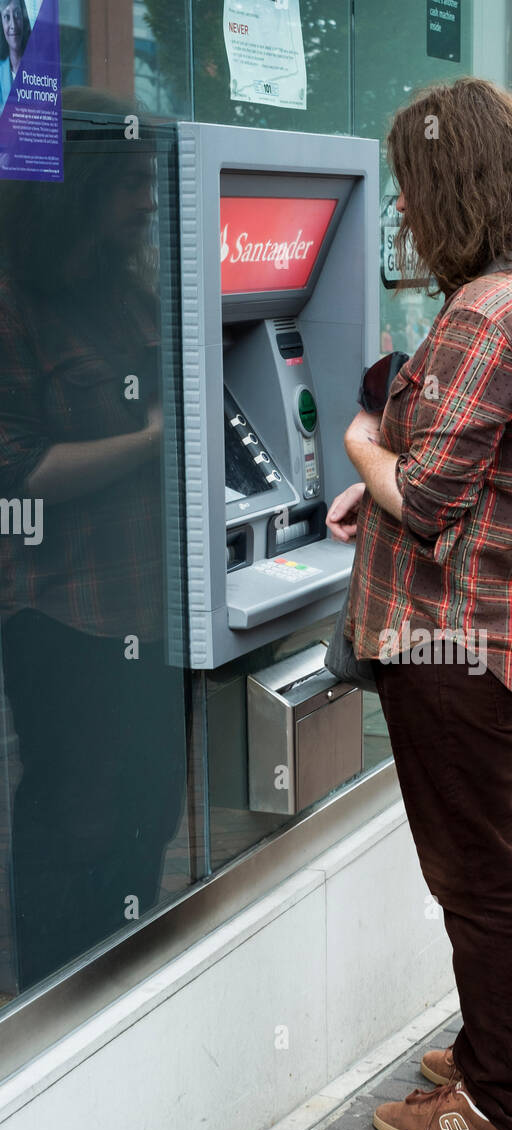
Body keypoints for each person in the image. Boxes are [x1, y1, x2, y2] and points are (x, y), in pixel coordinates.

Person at [326, 77, 512, 1130]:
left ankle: (498, 1099)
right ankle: (510, 1047)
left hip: (451, 644)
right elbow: (495, 468)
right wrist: (389, 478)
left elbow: (433, 496)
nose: (401, 210)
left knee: (475, 876)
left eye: (408, 186)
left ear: (448, 182)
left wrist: (360, 445)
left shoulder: (489, 311)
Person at [0, 89, 188, 991]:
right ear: (76, 190)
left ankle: (118, 1000)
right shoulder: (13, 305)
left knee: (147, 816)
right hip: (63, 617)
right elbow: (20, 475)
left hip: (157, 608)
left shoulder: (130, 290)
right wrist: (156, 437)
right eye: (131, 186)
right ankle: (52, 1004)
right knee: (70, 828)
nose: (150, 202)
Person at [0, 0, 30, 109]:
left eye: (17, 15)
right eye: (7, 17)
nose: (13, 25)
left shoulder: (37, 70)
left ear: (24, 19)